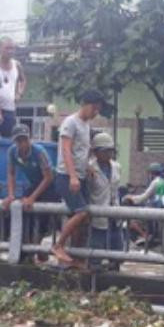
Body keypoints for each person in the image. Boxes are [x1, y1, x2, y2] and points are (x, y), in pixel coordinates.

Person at [51, 90, 108, 267]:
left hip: (80, 176)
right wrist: (73, 176)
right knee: (81, 211)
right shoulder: (70, 122)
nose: (96, 113)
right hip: (66, 176)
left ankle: (75, 255)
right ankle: (58, 245)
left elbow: (82, 151)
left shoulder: (86, 125)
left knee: (84, 218)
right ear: (86, 104)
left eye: (98, 110)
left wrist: (88, 166)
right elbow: (66, 150)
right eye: (94, 109)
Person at [2, 124, 55, 260]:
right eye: (19, 140)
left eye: (24, 139)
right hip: (35, 183)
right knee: (22, 210)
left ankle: (38, 246)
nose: (22, 143)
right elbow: (11, 174)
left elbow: (48, 177)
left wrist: (32, 197)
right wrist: (11, 195)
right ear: (15, 141)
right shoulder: (12, 152)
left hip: (51, 185)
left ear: (29, 139)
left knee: (42, 215)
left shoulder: (39, 152)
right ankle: (27, 249)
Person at [85, 132, 124, 269]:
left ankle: (115, 269)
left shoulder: (116, 166)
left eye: (110, 150)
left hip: (115, 212)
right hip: (98, 212)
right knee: (97, 246)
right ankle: (95, 271)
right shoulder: (90, 168)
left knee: (117, 247)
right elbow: (87, 191)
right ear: (96, 152)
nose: (108, 154)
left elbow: (116, 188)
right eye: (104, 151)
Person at [123, 162, 164, 247]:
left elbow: (143, 198)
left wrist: (130, 197)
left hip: (154, 210)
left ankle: (144, 236)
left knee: (130, 223)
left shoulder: (156, 182)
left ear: (152, 173)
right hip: (162, 209)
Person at [0, 37, 26, 139]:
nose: (10, 51)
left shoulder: (16, 64)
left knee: (9, 140)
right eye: (7, 48)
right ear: (0, 49)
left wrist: (19, 93)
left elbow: (23, 80)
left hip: (9, 109)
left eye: (13, 48)